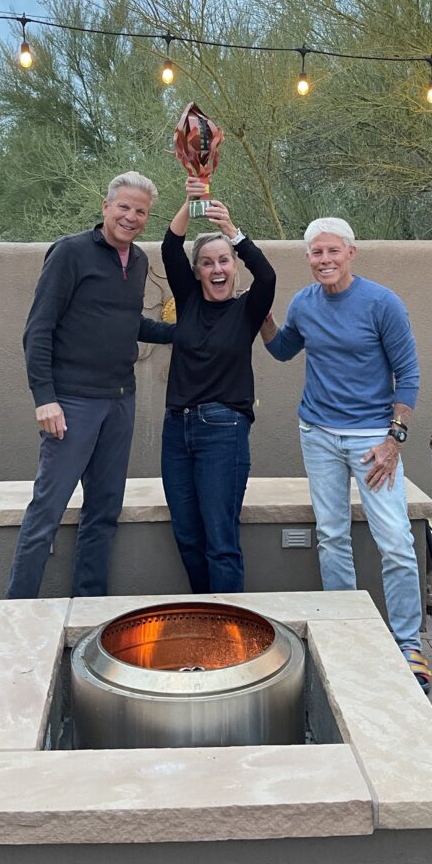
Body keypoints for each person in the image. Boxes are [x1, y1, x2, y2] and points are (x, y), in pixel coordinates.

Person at [260, 216, 431, 692]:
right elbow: (283, 350)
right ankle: (348, 631)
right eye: (316, 253)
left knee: (395, 539)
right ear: (307, 258)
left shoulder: (381, 303)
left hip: (373, 440)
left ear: (351, 253)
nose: (325, 260)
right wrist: (263, 317)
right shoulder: (304, 302)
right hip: (317, 434)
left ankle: (408, 643)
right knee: (332, 535)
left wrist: (393, 441)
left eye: (333, 251)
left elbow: (408, 375)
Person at [6, 171, 174, 599]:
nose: (131, 217)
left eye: (141, 211)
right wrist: (45, 398)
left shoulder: (139, 261)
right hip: (72, 404)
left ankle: (88, 608)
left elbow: (128, 323)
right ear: (106, 206)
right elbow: (38, 328)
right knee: (47, 512)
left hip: (120, 402)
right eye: (124, 207)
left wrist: (185, 331)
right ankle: (17, 611)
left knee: (103, 513)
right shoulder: (70, 252)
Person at [161, 176, 276, 593]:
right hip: (177, 429)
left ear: (234, 265)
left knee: (220, 540)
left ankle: (228, 623)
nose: (217, 269)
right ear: (197, 272)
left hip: (224, 430)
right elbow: (170, 247)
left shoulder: (247, 309)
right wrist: (190, 201)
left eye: (224, 261)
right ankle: (205, 614)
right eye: (207, 263)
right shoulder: (189, 300)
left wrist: (232, 230)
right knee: (187, 535)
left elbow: (267, 276)